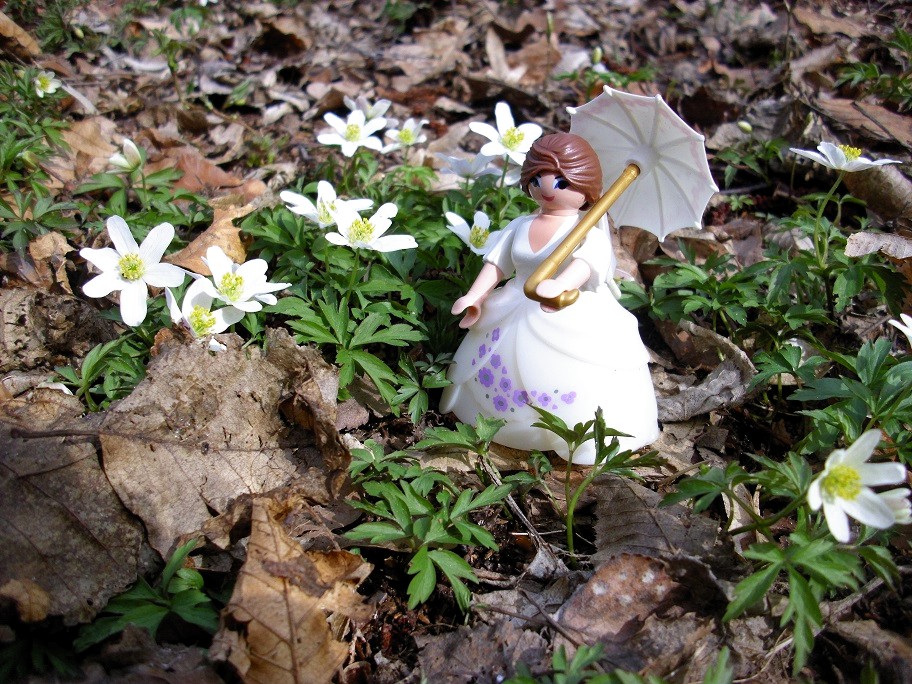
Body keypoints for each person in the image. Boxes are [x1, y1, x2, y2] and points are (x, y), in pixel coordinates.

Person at [440, 132, 659, 464]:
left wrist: (561, 284)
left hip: (564, 309)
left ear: (585, 187)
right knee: (490, 361)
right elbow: (496, 263)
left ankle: (569, 434)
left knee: (572, 373)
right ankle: (495, 419)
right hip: (513, 303)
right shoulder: (520, 225)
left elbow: (586, 264)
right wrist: (475, 295)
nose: (546, 188)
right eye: (536, 179)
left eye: (561, 182)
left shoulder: (586, 231)